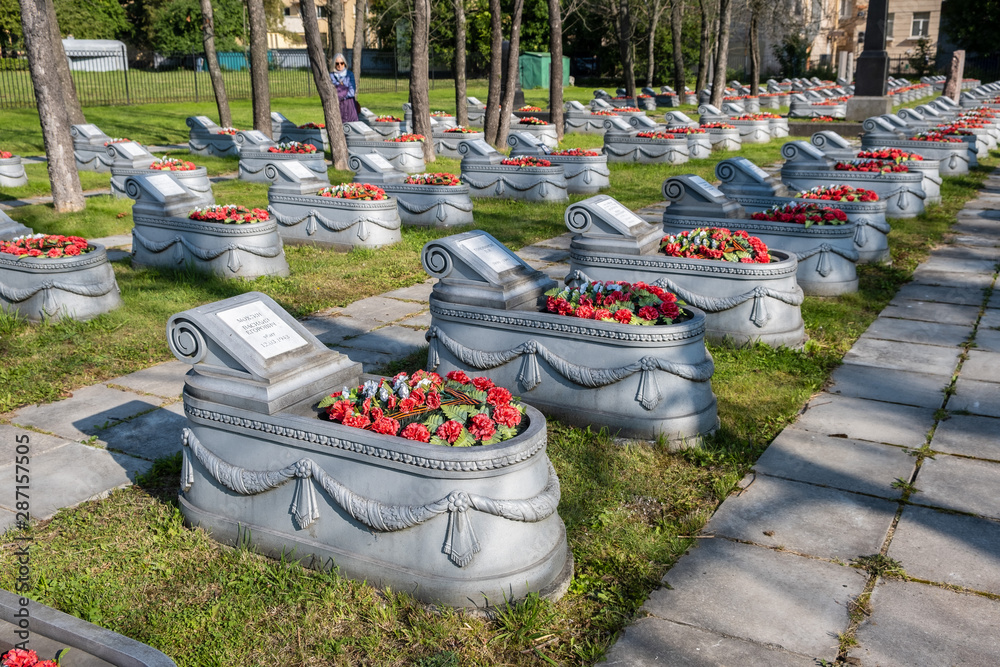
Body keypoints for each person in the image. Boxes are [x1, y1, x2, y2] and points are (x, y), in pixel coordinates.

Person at [330, 53, 359, 123]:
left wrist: (340, 91)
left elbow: (352, 92)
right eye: (337, 63)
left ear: (345, 63)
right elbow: (333, 93)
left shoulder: (350, 74)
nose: (339, 65)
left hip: (350, 106)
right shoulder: (331, 76)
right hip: (337, 106)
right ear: (334, 64)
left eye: (341, 63)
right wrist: (345, 88)